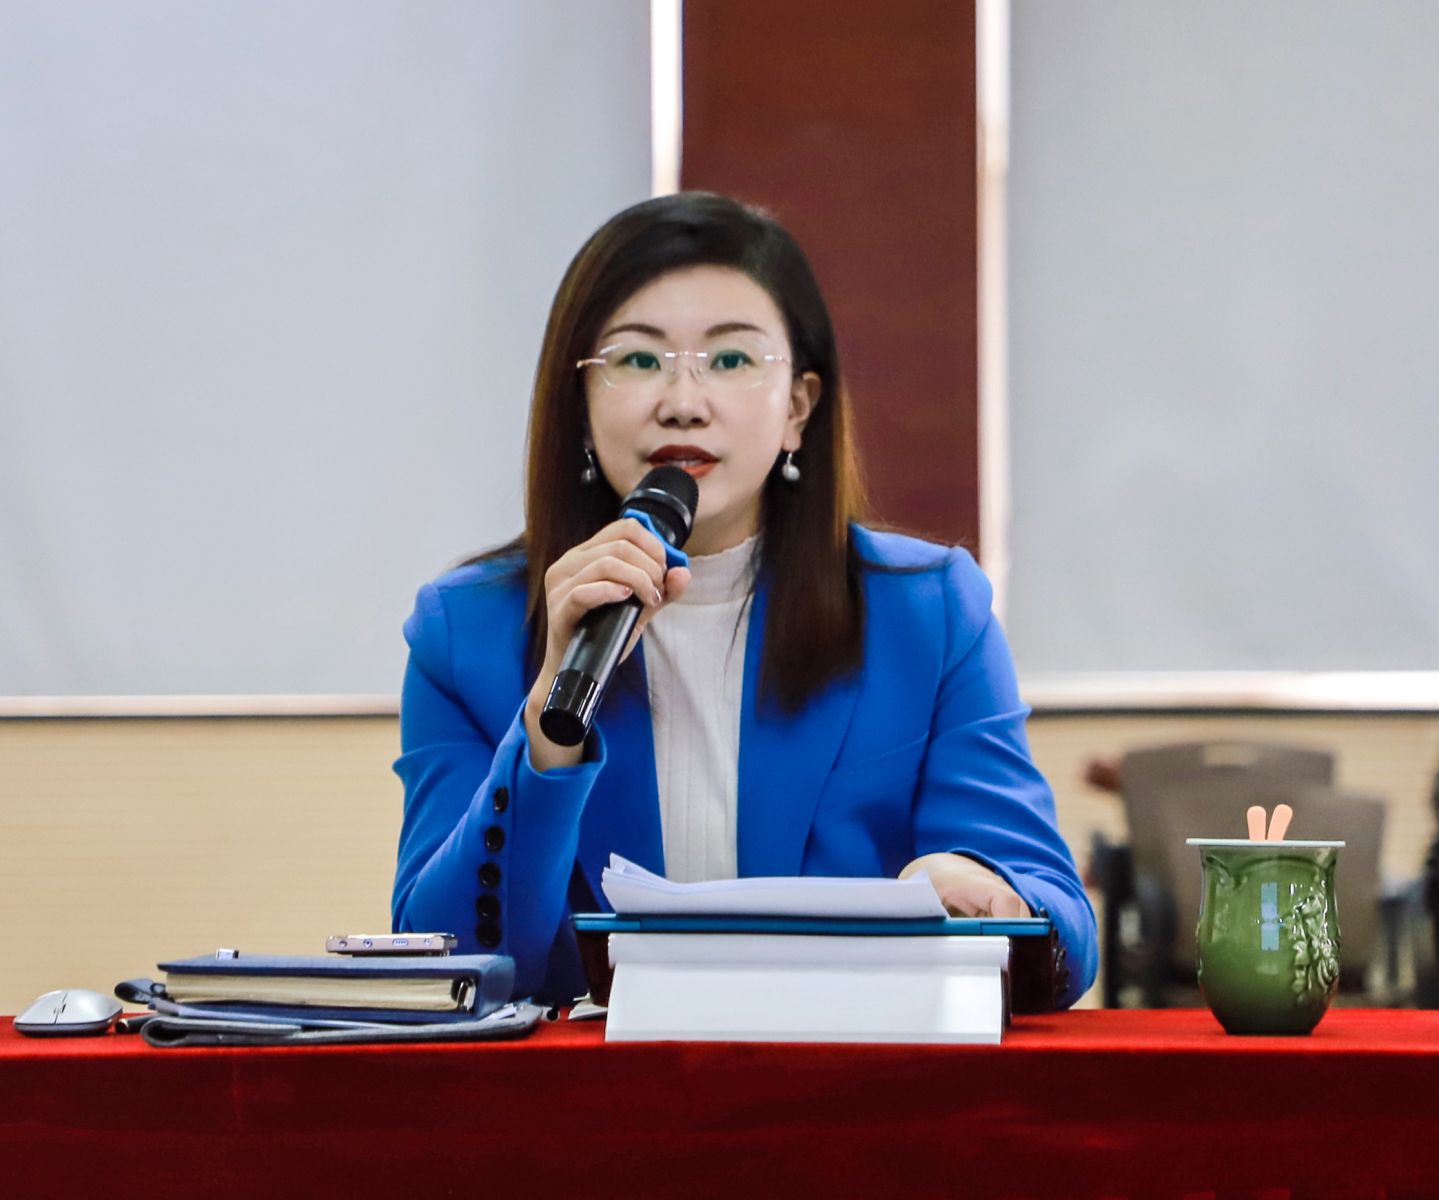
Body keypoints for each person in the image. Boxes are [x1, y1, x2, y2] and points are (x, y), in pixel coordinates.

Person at [391, 192, 1098, 1008]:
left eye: (729, 360)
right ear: (579, 406)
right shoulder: (464, 632)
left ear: (797, 408)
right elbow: (445, 964)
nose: (683, 400)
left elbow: (1060, 928)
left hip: (853, 1073)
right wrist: (549, 722)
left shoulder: (927, 613)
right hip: (591, 1085)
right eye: (637, 360)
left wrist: (983, 889)